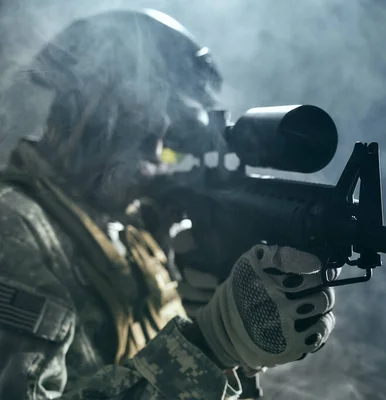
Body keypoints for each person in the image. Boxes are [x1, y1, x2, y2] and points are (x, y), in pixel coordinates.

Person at [0, 8, 336, 399]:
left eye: (171, 143)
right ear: (88, 116)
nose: (160, 161)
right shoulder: (13, 228)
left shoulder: (134, 240)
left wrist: (222, 329)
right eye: (146, 137)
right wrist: (211, 345)